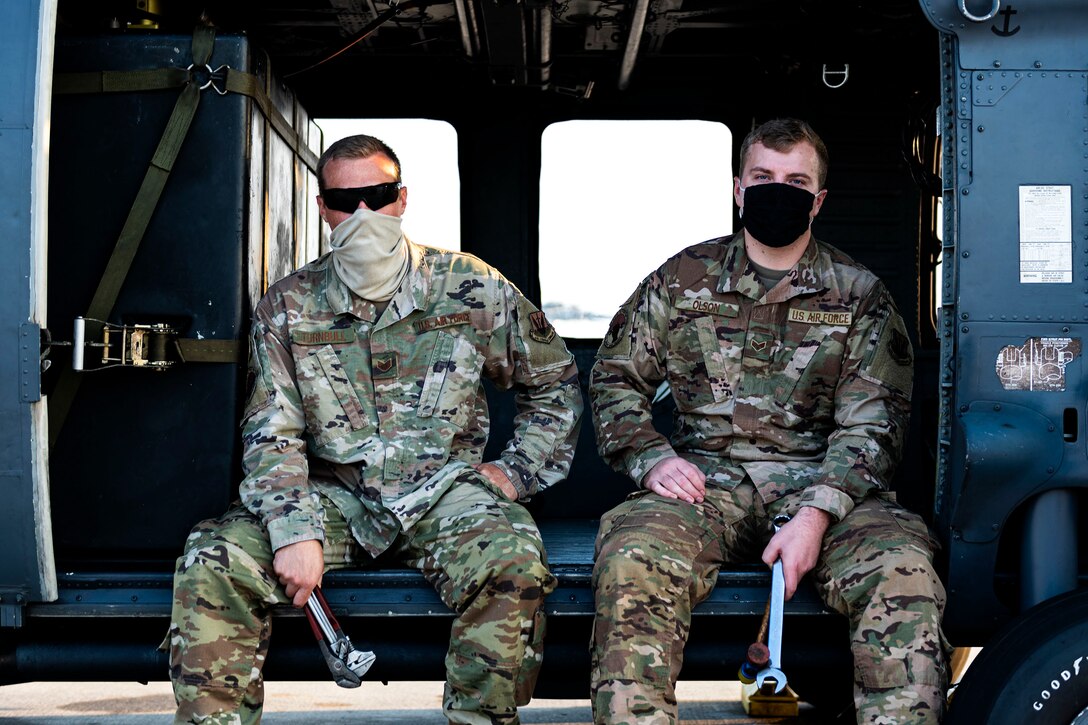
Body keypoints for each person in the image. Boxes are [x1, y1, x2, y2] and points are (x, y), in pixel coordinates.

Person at [164, 134, 583, 725]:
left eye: (378, 196)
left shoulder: (472, 286)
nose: (363, 213)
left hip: (444, 494)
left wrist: (514, 472)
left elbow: (555, 384)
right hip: (333, 497)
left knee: (513, 561)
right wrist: (292, 530)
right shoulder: (289, 304)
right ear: (323, 208)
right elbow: (272, 431)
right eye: (345, 200)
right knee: (215, 557)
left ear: (402, 198)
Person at [587, 118, 949, 724]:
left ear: (819, 200)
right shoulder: (682, 279)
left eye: (795, 181)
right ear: (739, 189)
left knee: (902, 571)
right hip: (704, 484)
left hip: (827, 488)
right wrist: (652, 458)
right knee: (633, 557)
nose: (777, 191)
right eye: (762, 177)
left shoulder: (859, 295)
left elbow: (873, 424)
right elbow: (615, 377)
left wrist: (817, 513)